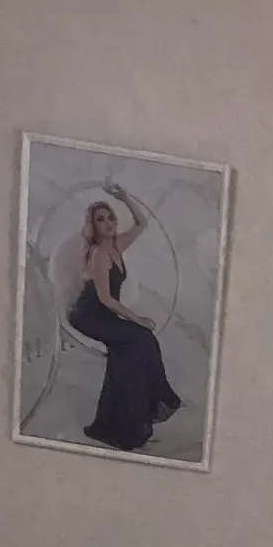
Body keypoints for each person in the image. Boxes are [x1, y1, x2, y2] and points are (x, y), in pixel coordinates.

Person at [69, 186, 182, 452]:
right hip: (88, 316)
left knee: (132, 350)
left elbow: (142, 222)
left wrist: (124, 198)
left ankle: (123, 426)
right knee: (140, 338)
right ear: (94, 227)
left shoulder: (117, 245)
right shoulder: (99, 254)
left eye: (110, 217)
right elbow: (106, 299)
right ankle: (151, 407)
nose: (108, 222)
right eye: (100, 219)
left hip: (104, 314)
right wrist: (138, 319)